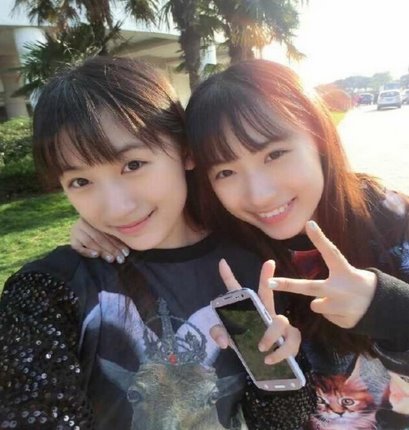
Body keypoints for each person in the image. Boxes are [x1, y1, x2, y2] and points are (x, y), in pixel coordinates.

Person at [74, 59, 409, 429]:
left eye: (274, 154)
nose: (259, 195)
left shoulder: (390, 219)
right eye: (226, 171)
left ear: (318, 137)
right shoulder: (226, 238)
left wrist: (385, 304)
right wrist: (100, 226)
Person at [0, 57, 306, 429]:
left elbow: (279, 420)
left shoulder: (252, 268)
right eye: (81, 182)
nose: (117, 207)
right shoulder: (49, 289)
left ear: (185, 151)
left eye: (132, 165)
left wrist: (275, 366)